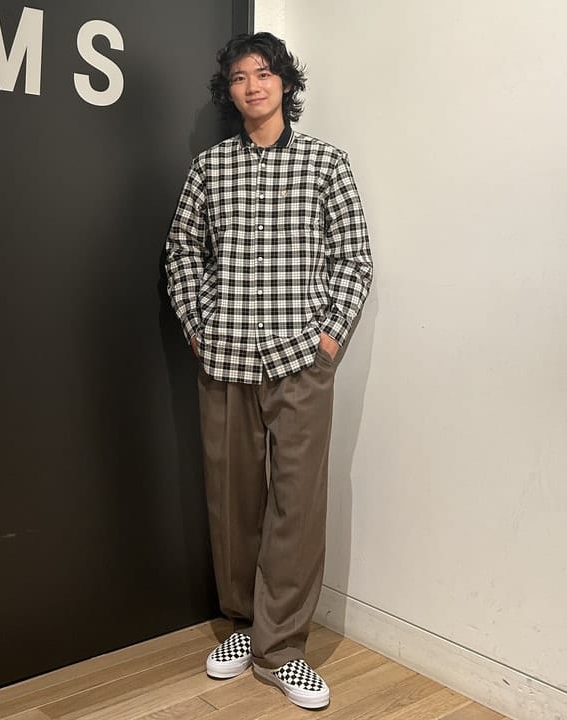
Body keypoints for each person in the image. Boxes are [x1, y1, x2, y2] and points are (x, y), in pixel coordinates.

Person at [165, 32, 372, 710]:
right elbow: (182, 253)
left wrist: (329, 339)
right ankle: (246, 625)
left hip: (300, 362)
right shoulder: (210, 168)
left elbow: (353, 258)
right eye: (239, 78)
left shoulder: (325, 163)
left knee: (297, 505)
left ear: (285, 83)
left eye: (263, 74)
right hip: (225, 359)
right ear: (228, 92)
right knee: (232, 503)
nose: (252, 86)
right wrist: (198, 328)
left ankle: (282, 649)